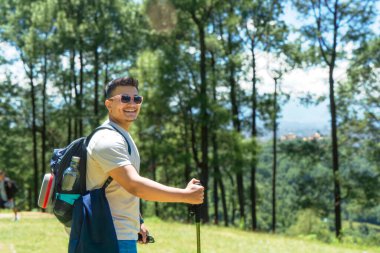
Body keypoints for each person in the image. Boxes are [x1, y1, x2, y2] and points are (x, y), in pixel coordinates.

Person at [86, 76, 204, 253]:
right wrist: (186, 196)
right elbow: (135, 185)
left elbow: (119, 186)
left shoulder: (122, 135)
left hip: (118, 235)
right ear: (108, 104)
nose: (132, 103)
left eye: (137, 98)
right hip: (108, 238)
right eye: (125, 98)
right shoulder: (108, 140)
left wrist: (137, 221)